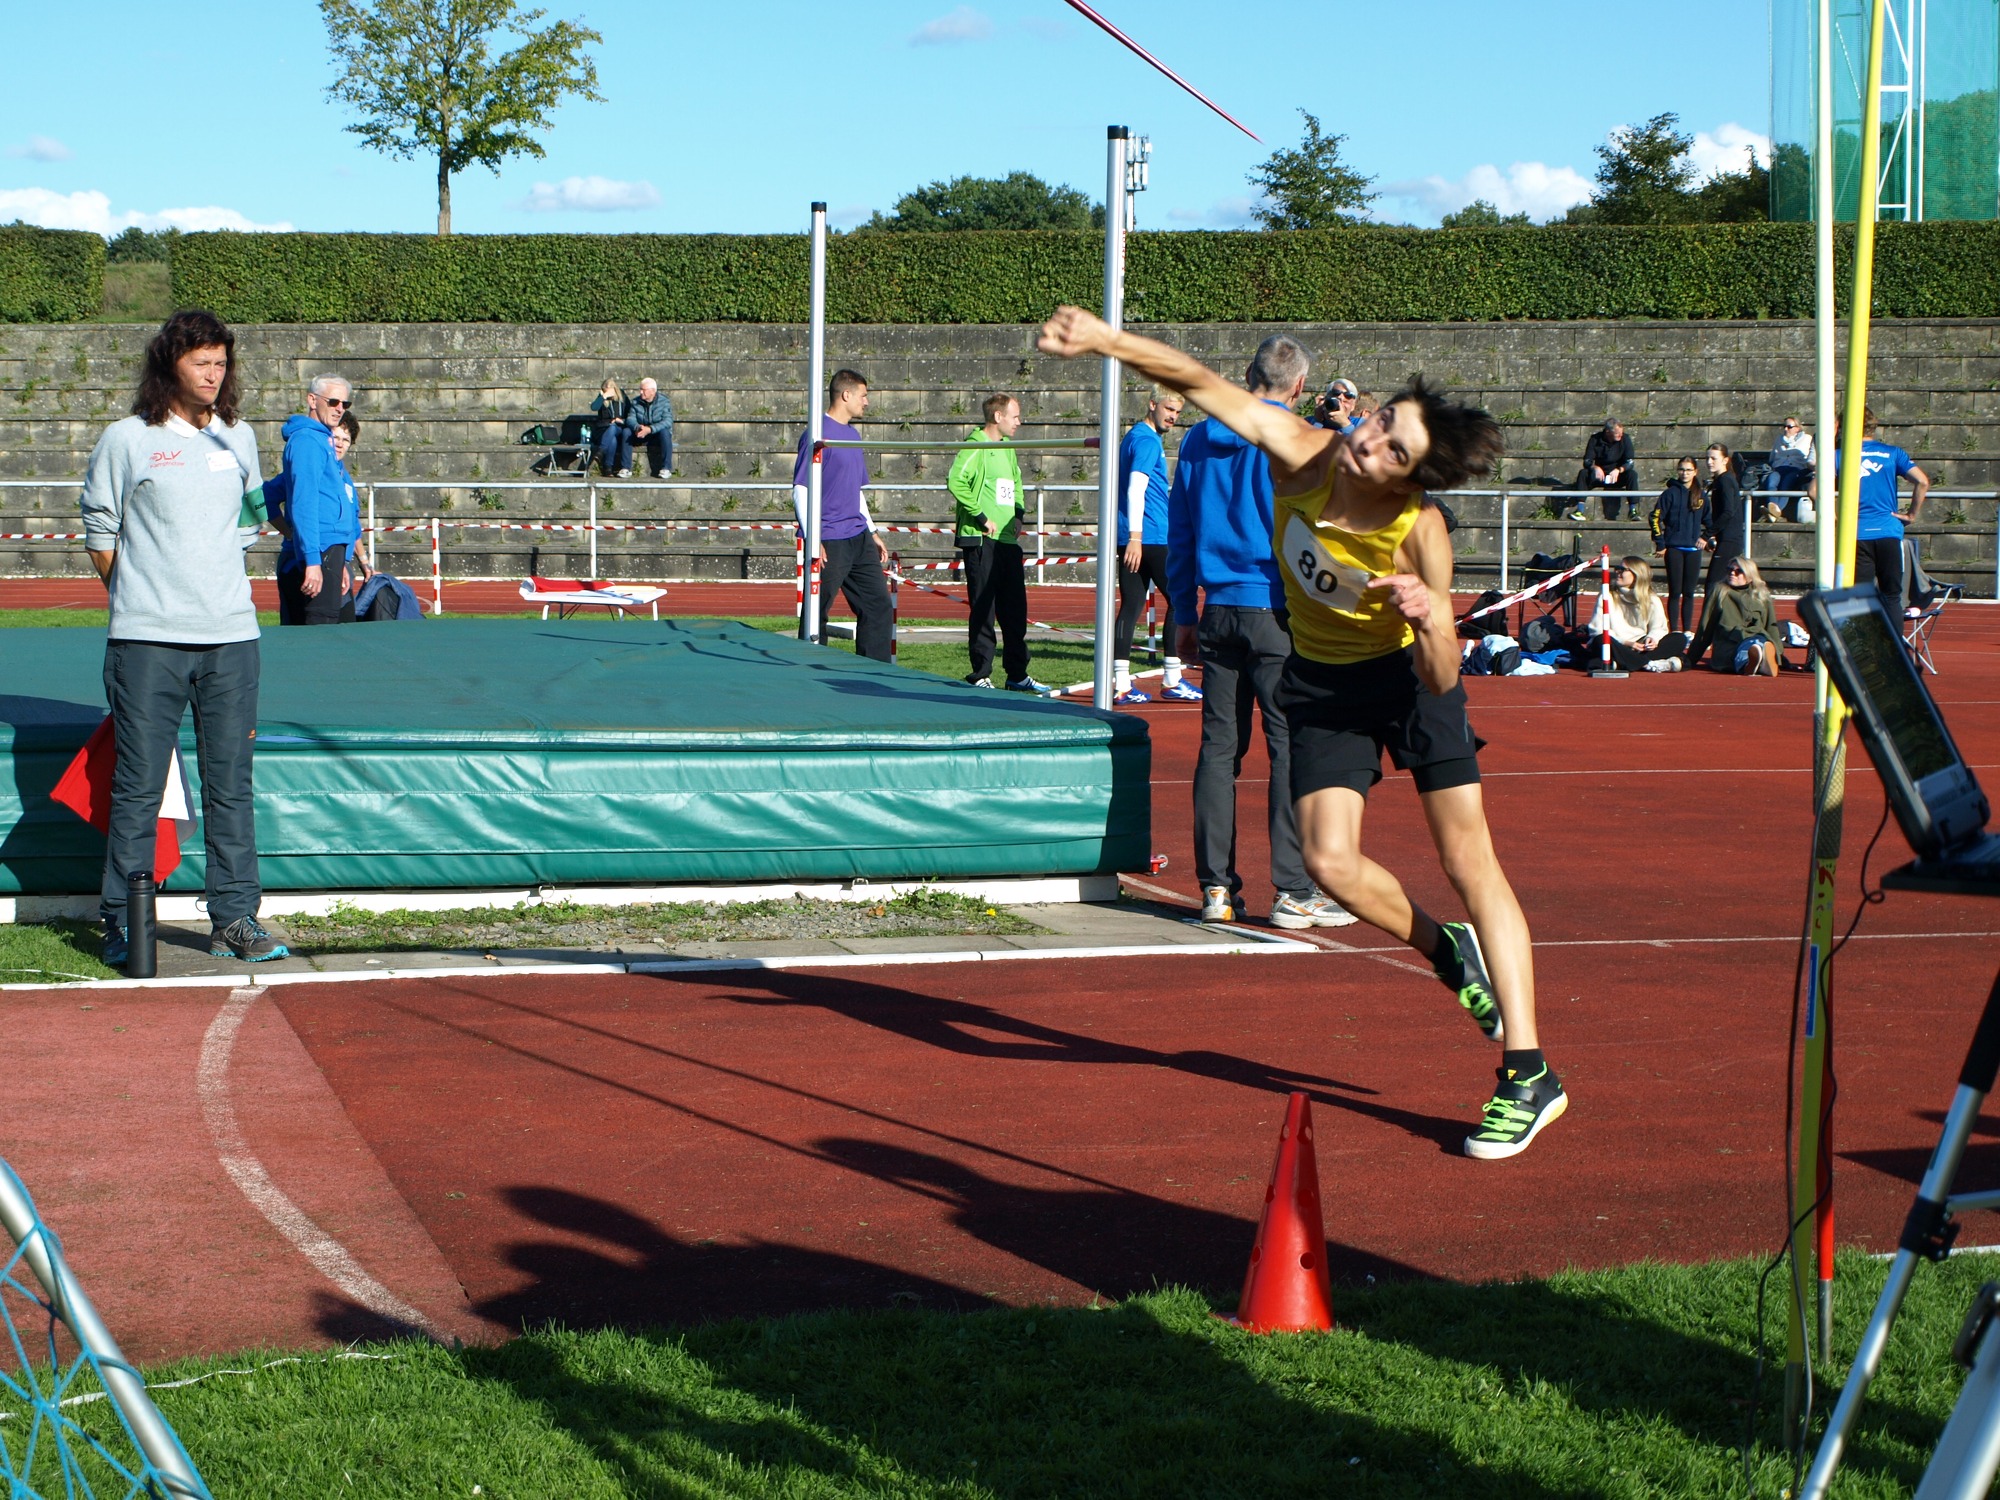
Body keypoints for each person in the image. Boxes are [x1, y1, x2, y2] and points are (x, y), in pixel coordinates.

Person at [1040, 304, 1565, 1160]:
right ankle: (1446, 952)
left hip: (1409, 680)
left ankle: (1528, 1071)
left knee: (1470, 862)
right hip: (1324, 679)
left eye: (1393, 450)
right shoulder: (1303, 451)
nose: (1370, 442)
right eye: (1380, 421)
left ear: (1411, 479)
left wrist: (1429, 617)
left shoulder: (1420, 533)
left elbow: (1444, 675)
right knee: (1327, 863)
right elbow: (1198, 382)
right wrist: (1107, 340)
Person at [77, 309, 289, 967]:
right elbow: (100, 530)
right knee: (140, 786)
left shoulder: (239, 437)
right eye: (202, 362)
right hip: (147, 642)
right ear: (169, 363)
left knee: (231, 784)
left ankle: (235, 919)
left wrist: (210, 576)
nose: (213, 373)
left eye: (221, 362)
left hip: (231, 639)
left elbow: (251, 520)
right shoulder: (127, 439)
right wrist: (141, 595)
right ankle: (124, 920)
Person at [1162, 334, 1353, 936]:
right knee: (1288, 747)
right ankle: (1292, 889)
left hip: (1218, 607)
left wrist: (1184, 613)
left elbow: (1181, 531)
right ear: (1299, 386)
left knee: (1219, 750)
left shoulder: (1198, 439)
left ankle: (1216, 888)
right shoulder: (1297, 438)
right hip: (1277, 609)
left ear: (1248, 377)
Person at [790, 368, 894, 663]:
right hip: (829, 539)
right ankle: (809, 670)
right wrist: (814, 538)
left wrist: (872, 531)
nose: (867, 402)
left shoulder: (852, 435)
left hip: (858, 536)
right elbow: (800, 489)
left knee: (878, 605)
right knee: (817, 611)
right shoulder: (817, 434)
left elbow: (855, 490)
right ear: (846, 395)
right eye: (863, 396)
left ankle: (875, 673)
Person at [948, 393, 1048, 693]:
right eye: (1015, 416)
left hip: (1007, 543)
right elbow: (956, 480)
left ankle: (1017, 674)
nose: (1019, 422)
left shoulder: (1007, 448)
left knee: (1015, 610)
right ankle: (980, 673)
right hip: (982, 541)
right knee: (984, 609)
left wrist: (1018, 514)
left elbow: (1015, 483)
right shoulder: (976, 445)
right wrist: (981, 517)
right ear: (997, 417)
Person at [1112, 387, 1197, 705]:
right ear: (1152, 405)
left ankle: (1121, 684)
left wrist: (1131, 537)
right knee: (1180, 600)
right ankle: (1172, 678)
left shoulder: (1133, 437)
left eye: (1177, 412)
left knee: (1131, 606)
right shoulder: (1147, 441)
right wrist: (1136, 537)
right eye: (1169, 409)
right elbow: (1136, 488)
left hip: (1134, 535)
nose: (1173, 417)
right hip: (1151, 537)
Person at [1815, 406, 1931, 615]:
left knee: (1860, 598)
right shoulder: (1893, 453)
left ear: (1844, 427)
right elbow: (1922, 481)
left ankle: (1864, 635)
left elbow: (1814, 490)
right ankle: (1894, 636)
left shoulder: (1838, 456)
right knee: (1892, 596)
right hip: (1888, 531)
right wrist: (1911, 515)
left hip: (1856, 534)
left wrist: (1835, 518)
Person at [276, 373, 359, 627]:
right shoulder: (307, 442)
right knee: (320, 635)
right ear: (312, 400)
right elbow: (304, 502)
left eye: (345, 404)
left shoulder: (321, 441)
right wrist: (311, 559)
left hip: (330, 550)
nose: (340, 409)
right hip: (320, 551)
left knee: (330, 631)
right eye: (333, 401)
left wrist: (342, 561)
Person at [1675, 555, 1779, 675]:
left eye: (1738, 571)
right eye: (1729, 570)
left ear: (1750, 576)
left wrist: (1780, 656)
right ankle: (1749, 663)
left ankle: (1760, 662)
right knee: (1748, 649)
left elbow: (1771, 628)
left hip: (1757, 638)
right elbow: (1705, 628)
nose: (1732, 573)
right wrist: (1691, 659)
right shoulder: (1719, 592)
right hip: (1728, 643)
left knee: (1759, 642)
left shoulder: (1761, 595)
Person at [1587, 556, 1686, 671]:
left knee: (1679, 638)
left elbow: (1659, 627)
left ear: (1637, 575)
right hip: (1617, 644)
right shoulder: (1606, 596)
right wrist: (1627, 643)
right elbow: (1597, 629)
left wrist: (1652, 638)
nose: (1618, 572)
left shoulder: (1651, 598)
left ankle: (1622, 663)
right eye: (1617, 568)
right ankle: (1648, 664)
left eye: (1622, 569)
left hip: (1640, 645)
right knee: (1601, 639)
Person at [1648, 456, 1705, 635]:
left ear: (1695, 472)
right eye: (1681, 469)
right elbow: (1655, 518)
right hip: (1674, 549)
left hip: (1694, 550)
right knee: (1675, 591)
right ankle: (1674, 631)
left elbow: (1709, 519)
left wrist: (1708, 537)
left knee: (1689, 592)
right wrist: (1660, 543)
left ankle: (1687, 630)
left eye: (1688, 470)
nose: (1684, 473)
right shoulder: (1669, 494)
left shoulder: (1701, 495)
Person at [1700, 443, 1745, 602]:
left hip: (1730, 540)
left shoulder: (1725, 480)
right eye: (1707, 458)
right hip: (1726, 538)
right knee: (1723, 585)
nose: (1709, 462)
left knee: (1713, 585)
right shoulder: (1721, 480)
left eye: (1714, 458)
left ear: (1725, 460)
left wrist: (1706, 535)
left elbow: (1727, 512)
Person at [1569, 417, 1637, 521]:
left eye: (1621, 433)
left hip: (1617, 476)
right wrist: (1595, 467)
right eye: (1617, 433)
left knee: (1632, 474)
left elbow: (1630, 462)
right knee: (1583, 473)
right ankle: (1579, 510)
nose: (1620, 435)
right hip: (1599, 476)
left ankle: (1633, 510)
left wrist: (1619, 470)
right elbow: (1587, 461)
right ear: (1608, 432)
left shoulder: (1625, 439)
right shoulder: (1595, 439)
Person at [1766, 416, 1814, 520]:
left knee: (1786, 484)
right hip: (1779, 468)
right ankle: (1774, 510)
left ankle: (1775, 511)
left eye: (1789, 427)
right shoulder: (1779, 439)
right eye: (1784, 426)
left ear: (1797, 428)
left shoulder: (1807, 439)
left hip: (1796, 469)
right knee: (1771, 482)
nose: (1785, 429)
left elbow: (1810, 457)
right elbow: (1772, 458)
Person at [626, 377, 674, 478]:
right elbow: (630, 419)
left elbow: (667, 421)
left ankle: (666, 468)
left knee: (665, 432)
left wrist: (650, 429)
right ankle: (625, 468)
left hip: (656, 435)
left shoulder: (664, 401)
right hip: (640, 433)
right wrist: (637, 427)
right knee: (626, 432)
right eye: (640, 389)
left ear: (653, 391)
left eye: (644, 390)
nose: (641, 392)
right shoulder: (635, 402)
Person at [591, 377, 631, 478]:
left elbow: (630, 413)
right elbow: (594, 407)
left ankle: (601, 451)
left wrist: (621, 420)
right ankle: (608, 468)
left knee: (613, 427)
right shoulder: (603, 397)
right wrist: (603, 396)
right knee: (612, 440)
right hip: (604, 429)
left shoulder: (622, 397)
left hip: (620, 427)